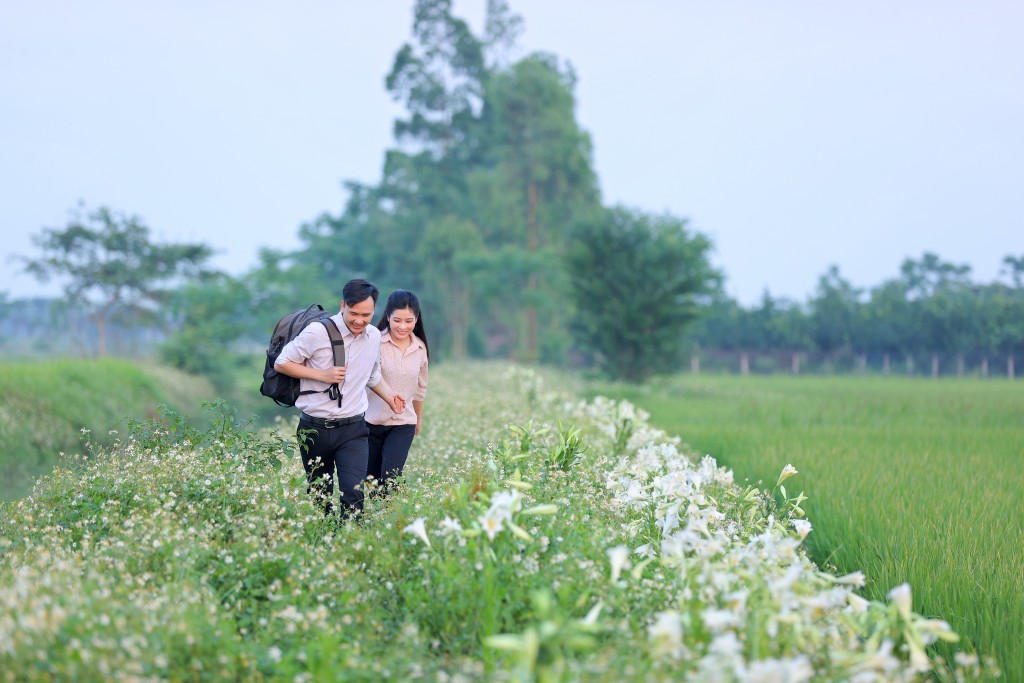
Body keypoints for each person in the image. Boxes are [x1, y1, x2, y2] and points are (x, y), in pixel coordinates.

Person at [274, 278, 404, 518]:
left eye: (366, 315)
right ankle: (328, 540)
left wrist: (389, 396)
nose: (359, 320)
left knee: (354, 493)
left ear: (374, 310)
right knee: (320, 495)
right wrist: (321, 375)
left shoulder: (374, 336)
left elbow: (372, 374)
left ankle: (352, 542)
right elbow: (282, 362)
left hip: (353, 428)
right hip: (314, 428)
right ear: (342, 305)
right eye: (353, 313)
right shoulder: (317, 332)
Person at [364, 289, 429, 492]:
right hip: (370, 422)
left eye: (409, 321)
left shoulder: (420, 348)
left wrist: (418, 419)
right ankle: (375, 521)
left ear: (416, 320)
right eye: (397, 320)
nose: (403, 326)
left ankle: (391, 516)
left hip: (403, 423)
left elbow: (420, 389)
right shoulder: (375, 342)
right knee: (371, 481)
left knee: (391, 478)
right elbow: (364, 378)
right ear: (388, 317)